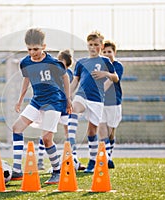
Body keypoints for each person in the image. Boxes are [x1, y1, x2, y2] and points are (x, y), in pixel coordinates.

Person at [11, 28, 72, 184]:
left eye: (36, 49)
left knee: (46, 139)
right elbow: (27, 79)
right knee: (16, 128)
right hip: (37, 101)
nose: (33, 52)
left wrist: (68, 99)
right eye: (29, 49)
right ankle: (17, 170)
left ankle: (57, 171)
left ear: (43, 46)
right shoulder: (25, 62)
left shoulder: (52, 62)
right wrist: (20, 99)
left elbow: (65, 76)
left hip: (53, 101)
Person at [68, 31, 118, 173]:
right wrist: (68, 96)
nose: (92, 47)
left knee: (92, 132)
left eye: (96, 45)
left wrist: (106, 74)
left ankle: (92, 161)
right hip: (82, 95)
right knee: (75, 108)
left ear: (101, 46)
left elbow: (115, 78)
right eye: (90, 44)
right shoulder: (81, 62)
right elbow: (75, 81)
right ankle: (71, 145)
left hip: (97, 100)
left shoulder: (105, 61)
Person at [37, 49, 85, 171]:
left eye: (60, 61)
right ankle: (39, 160)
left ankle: (74, 159)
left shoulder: (66, 73)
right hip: (52, 107)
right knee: (46, 134)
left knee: (69, 134)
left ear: (66, 63)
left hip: (63, 108)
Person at [98, 40, 124, 169]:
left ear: (114, 53)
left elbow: (110, 80)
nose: (107, 54)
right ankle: (106, 158)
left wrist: (100, 91)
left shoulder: (117, 66)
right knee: (102, 129)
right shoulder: (99, 66)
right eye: (105, 52)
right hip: (101, 103)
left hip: (114, 103)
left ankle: (109, 154)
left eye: (109, 52)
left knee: (111, 132)